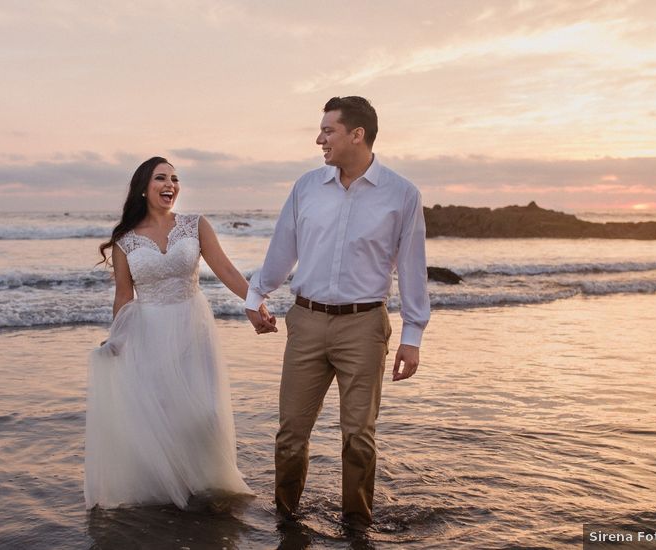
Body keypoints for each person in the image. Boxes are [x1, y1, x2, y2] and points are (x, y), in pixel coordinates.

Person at [245, 96, 430, 526]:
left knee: (359, 439)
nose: (319, 139)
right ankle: (285, 520)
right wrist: (256, 297)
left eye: (328, 131)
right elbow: (281, 251)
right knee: (291, 435)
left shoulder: (402, 195)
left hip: (365, 327)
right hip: (305, 322)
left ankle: (356, 526)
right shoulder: (306, 187)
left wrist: (412, 336)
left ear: (357, 134)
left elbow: (412, 269)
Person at [85, 156, 269, 509]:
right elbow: (124, 295)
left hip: (193, 326)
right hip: (149, 332)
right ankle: (170, 488)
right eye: (160, 178)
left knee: (204, 412)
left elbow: (226, 270)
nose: (170, 184)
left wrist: (255, 303)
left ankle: (206, 481)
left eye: (174, 178)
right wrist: (117, 339)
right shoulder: (126, 241)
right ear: (143, 187)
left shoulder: (194, 225)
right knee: (164, 412)